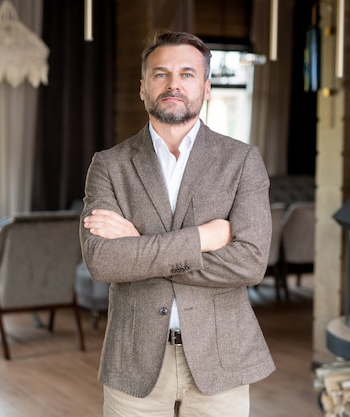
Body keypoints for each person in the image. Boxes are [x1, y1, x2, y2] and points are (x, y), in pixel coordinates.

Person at [79, 32, 275, 417]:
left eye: (187, 74)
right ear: (142, 87)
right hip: (134, 359)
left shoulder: (242, 161)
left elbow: (250, 262)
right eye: (160, 74)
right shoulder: (109, 165)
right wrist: (204, 237)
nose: (173, 84)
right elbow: (103, 263)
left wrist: (140, 246)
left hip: (222, 358)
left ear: (206, 87)